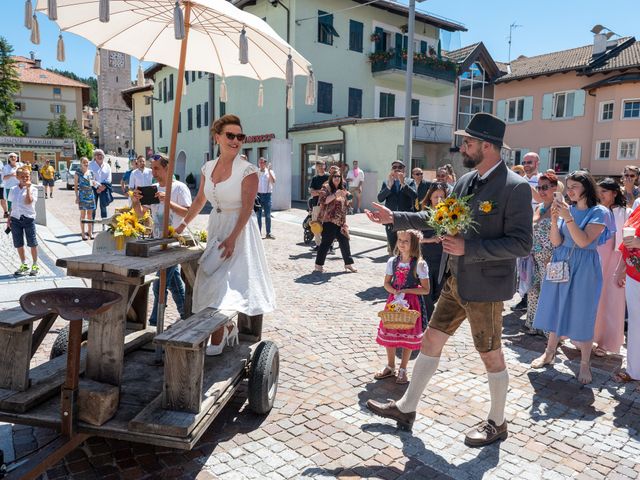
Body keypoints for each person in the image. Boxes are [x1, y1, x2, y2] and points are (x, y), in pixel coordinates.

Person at [365, 113, 533, 445]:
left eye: (468, 142)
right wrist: (394, 217)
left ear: (487, 145)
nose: (462, 147)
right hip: (456, 282)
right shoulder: (466, 181)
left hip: (485, 288)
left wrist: (468, 247)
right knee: (431, 340)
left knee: (490, 353)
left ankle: (497, 423)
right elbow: (437, 218)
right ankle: (407, 407)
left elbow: (521, 243)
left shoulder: (516, 187)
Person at [175, 114, 276, 355]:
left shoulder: (248, 170)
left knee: (225, 286)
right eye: (230, 135)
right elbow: (200, 199)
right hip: (216, 225)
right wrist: (181, 225)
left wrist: (232, 238)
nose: (235, 140)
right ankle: (228, 326)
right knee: (208, 280)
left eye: (240, 136)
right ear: (217, 137)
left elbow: (248, 208)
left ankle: (219, 336)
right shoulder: (207, 168)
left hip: (239, 230)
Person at [531, 171, 609, 384]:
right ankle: (549, 352)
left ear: (586, 187)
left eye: (574, 186)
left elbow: (583, 241)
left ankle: (584, 363)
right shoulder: (569, 209)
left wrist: (567, 217)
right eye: (568, 186)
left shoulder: (599, 212)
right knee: (556, 305)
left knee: (583, 311)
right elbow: (556, 242)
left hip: (584, 266)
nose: (569, 190)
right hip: (560, 261)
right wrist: (556, 221)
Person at [132, 153, 192, 327]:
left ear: (168, 168)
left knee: (160, 284)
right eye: (152, 168)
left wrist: (168, 203)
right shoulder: (152, 188)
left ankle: (153, 323)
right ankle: (186, 315)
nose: (153, 172)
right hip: (158, 242)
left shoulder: (179, 188)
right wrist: (135, 202)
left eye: (157, 168)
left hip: (174, 243)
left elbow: (188, 213)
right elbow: (142, 214)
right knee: (172, 283)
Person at [375, 230, 430, 385]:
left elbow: (426, 289)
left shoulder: (419, 264)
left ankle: (403, 368)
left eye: (406, 241)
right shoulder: (392, 261)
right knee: (390, 330)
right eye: (400, 240)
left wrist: (405, 291)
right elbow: (386, 283)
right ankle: (391, 365)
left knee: (408, 332)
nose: (402, 244)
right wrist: (394, 291)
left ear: (414, 244)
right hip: (393, 302)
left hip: (411, 303)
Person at [593, 178, 630, 356]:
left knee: (612, 301)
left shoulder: (626, 212)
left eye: (604, 191)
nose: (601, 195)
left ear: (615, 193)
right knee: (594, 298)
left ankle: (607, 342)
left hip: (617, 259)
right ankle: (586, 337)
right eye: (599, 192)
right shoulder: (596, 210)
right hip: (597, 258)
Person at [524, 172, 558, 335]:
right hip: (535, 256)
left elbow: (563, 234)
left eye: (545, 187)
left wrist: (554, 255)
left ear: (555, 188)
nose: (542, 191)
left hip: (550, 257)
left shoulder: (559, 207)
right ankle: (533, 324)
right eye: (539, 187)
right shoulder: (539, 206)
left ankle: (548, 330)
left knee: (549, 293)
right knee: (533, 291)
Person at [614, 204, 640, 385]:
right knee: (635, 324)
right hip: (634, 274)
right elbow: (627, 242)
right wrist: (620, 269)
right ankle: (634, 370)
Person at [312, 171, 356, 273]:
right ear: (331, 177)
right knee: (326, 243)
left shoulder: (342, 189)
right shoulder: (326, 187)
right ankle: (318, 265)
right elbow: (323, 201)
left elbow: (346, 204)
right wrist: (335, 195)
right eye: (335, 176)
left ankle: (348, 264)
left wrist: (348, 199)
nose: (337, 178)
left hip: (340, 221)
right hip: (329, 220)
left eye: (339, 176)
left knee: (345, 242)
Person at [417, 182, 447, 320]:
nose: (439, 200)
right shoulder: (423, 215)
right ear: (430, 198)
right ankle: (426, 324)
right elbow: (414, 238)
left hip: (443, 262)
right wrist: (431, 239)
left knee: (439, 294)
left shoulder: (451, 216)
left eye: (442, 197)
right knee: (427, 295)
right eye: (436, 197)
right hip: (426, 260)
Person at [377, 160, 417, 253]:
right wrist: (389, 187)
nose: (397, 169)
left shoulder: (410, 182)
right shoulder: (387, 182)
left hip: (405, 220)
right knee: (393, 248)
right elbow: (380, 198)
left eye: (400, 167)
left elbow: (414, 196)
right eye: (394, 167)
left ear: (404, 171)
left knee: (405, 249)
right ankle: (395, 265)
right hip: (390, 220)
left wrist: (403, 184)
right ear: (391, 170)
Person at [8, 167, 39, 276]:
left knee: (32, 243)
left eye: (27, 176)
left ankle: (35, 265)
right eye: (22, 176)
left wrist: (28, 189)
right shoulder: (13, 189)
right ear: (17, 177)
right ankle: (24, 264)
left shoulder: (34, 189)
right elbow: (12, 205)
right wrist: (9, 219)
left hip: (28, 219)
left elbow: (28, 202)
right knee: (18, 243)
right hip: (15, 219)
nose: (25, 178)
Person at [308, 160, 330, 247]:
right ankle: (318, 245)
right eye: (318, 165)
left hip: (327, 204)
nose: (320, 167)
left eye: (322, 165)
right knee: (315, 224)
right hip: (316, 204)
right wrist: (320, 192)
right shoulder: (315, 178)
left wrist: (317, 192)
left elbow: (329, 191)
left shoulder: (329, 177)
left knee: (327, 225)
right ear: (316, 167)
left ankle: (329, 245)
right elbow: (312, 192)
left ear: (325, 166)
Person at [74, 157, 96, 241]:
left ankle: (90, 232)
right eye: (84, 162)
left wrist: (94, 184)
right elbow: (76, 186)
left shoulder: (91, 172)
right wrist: (77, 197)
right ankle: (83, 233)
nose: (86, 164)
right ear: (81, 163)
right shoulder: (78, 173)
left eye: (87, 162)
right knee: (83, 215)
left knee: (90, 215)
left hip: (90, 195)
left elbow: (93, 184)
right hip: (82, 196)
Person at [88, 149, 113, 220]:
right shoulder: (90, 165)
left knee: (103, 206)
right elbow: (90, 178)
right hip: (93, 188)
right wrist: (98, 186)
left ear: (103, 156)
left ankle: (104, 224)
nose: (99, 156)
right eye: (97, 155)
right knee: (93, 207)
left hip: (104, 188)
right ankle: (91, 225)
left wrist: (103, 187)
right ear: (95, 156)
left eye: (101, 155)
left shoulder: (107, 166)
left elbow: (109, 178)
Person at [256, 157, 276, 239]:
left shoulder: (270, 172)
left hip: (267, 195)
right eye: (260, 162)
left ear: (265, 163)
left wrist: (269, 172)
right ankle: (258, 233)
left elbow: (273, 181)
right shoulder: (256, 172)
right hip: (258, 195)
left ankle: (268, 233)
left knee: (268, 215)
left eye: (262, 162)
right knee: (258, 215)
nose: (261, 164)